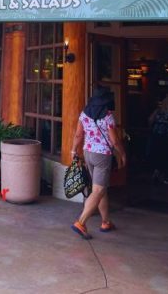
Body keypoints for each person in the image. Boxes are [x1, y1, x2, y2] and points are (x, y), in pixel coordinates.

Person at [70, 86, 126, 238]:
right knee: (98, 190)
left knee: (100, 188)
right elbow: (114, 140)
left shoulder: (84, 114)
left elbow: (78, 135)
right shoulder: (108, 117)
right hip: (102, 156)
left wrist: (74, 151)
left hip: (88, 153)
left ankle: (106, 221)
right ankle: (81, 222)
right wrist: (122, 154)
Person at [147, 93, 168, 185]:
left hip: (156, 136)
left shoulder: (158, 111)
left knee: (158, 155)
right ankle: (167, 177)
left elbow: (150, 120)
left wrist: (154, 127)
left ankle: (157, 173)